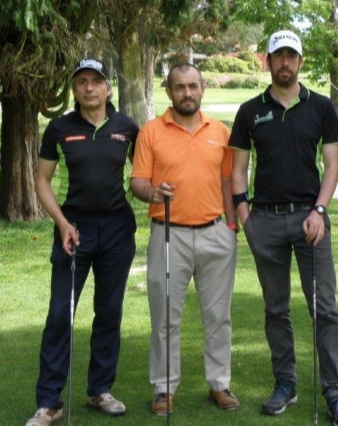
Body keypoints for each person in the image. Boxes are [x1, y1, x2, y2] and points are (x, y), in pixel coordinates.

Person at [230, 30, 338, 426]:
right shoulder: (250, 110)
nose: (285, 62)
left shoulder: (320, 106)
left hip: (310, 218)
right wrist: (244, 216)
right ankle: (285, 383)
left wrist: (319, 209)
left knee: (325, 309)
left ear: (301, 62)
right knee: (276, 309)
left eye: (292, 56)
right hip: (264, 219)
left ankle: (335, 393)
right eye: (277, 56)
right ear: (267, 61)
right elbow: (238, 168)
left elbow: (333, 164)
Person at [26, 58, 138, 426]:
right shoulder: (59, 128)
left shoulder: (127, 128)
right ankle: (49, 402)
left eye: (96, 81)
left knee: (109, 312)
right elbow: (42, 179)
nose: (89, 88)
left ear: (108, 87)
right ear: (74, 89)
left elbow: (142, 174)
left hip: (118, 229)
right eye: (82, 82)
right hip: (73, 228)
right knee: (61, 313)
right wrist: (61, 223)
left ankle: (99, 390)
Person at [130, 63, 240, 416]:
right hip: (168, 234)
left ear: (203, 89)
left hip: (215, 233)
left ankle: (219, 384)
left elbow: (229, 183)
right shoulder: (150, 131)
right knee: (164, 317)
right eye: (180, 87)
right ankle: (164, 388)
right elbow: (137, 182)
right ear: (169, 91)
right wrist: (152, 193)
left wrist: (231, 227)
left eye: (193, 86)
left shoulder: (221, 132)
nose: (187, 93)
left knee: (218, 316)